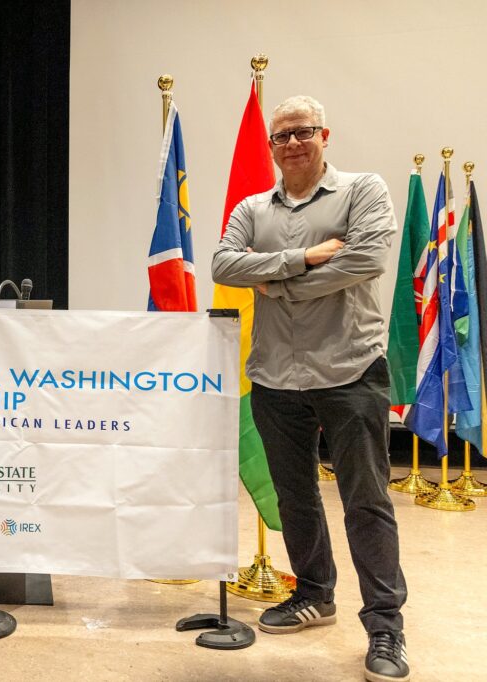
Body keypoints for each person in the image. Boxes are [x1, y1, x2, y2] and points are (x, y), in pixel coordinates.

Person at [211, 95, 408, 682]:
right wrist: (303, 257)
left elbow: (366, 259)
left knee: (366, 502)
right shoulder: (252, 208)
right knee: (295, 497)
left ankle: (385, 628)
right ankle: (315, 595)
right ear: (271, 146)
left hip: (350, 370)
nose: (293, 142)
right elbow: (224, 266)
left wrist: (274, 278)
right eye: (282, 135)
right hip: (275, 375)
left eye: (304, 132)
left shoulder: (363, 190)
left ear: (325, 135)